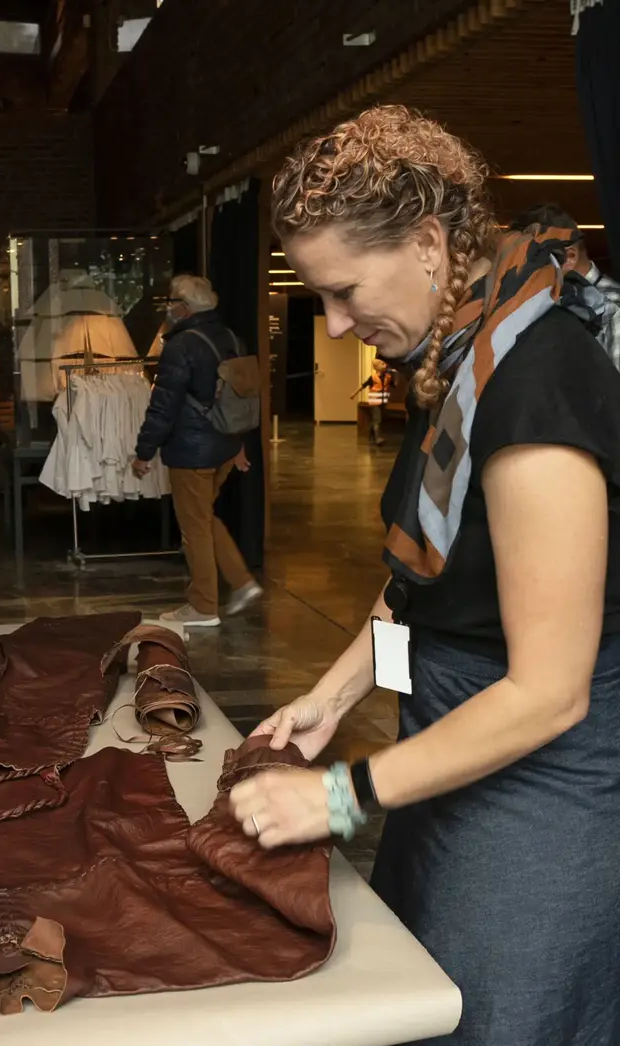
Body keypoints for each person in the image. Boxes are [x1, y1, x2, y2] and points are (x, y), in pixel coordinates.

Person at [229, 105, 620, 1045]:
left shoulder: (535, 384)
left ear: (429, 244)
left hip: (539, 787)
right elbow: (423, 585)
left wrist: (338, 797)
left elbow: (549, 692)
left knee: (497, 1018)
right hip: (444, 750)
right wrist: (334, 696)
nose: (334, 325)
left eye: (343, 291)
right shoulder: (467, 359)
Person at [133, 274, 262, 627]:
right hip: (224, 446)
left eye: (172, 301)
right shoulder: (231, 338)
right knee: (204, 517)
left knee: (195, 529)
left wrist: (144, 451)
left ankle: (204, 607)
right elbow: (243, 399)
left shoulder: (181, 346)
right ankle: (242, 582)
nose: (169, 307)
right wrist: (239, 444)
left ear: (185, 308)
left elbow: (163, 405)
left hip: (191, 451)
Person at [509, 202, 620, 369]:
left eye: (532, 262)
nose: (521, 275)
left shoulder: (614, 312)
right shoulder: (550, 306)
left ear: (569, 258)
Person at [354, 357, 396, 445]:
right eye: (382, 364)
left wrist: (395, 376)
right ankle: (377, 438)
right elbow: (364, 385)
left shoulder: (387, 376)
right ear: (377, 367)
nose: (385, 365)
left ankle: (372, 436)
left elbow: (394, 385)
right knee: (377, 419)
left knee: (376, 419)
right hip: (374, 401)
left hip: (383, 401)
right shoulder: (373, 377)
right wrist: (354, 394)